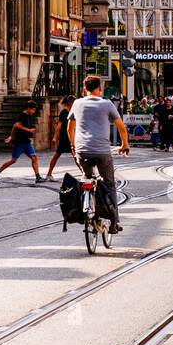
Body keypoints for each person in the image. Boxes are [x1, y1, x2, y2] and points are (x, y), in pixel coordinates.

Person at [67, 76, 129, 235]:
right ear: (99, 88)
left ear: (84, 89)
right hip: (102, 151)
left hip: (82, 151)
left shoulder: (77, 103)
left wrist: (74, 147)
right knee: (109, 184)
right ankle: (115, 222)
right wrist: (124, 145)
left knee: (86, 178)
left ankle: (84, 207)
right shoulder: (106, 103)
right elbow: (121, 128)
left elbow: (70, 129)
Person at [0, 100, 43, 183]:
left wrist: (10, 136)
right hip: (20, 142)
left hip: (26, 142)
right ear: (29, 108)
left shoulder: (27, 116)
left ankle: (38, 177)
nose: (34, 111)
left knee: (34, 157)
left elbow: (16, 127)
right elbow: (16, 126)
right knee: (13, 160)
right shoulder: (22, 116)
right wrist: (28, 130)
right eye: (33, 109)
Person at [45, 95, 75, 179]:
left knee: (76, 157)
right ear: (70, 104)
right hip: (64, 138)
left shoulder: (73, 112)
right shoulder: (64, 112)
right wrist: (55, 137)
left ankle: (85, 173)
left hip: (71, 137)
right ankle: (49, 174)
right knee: (57, 155)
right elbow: (59, 125)